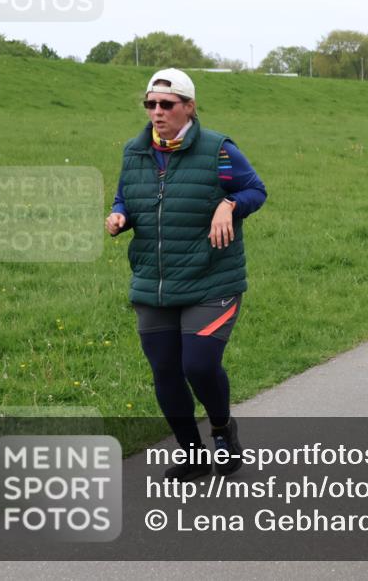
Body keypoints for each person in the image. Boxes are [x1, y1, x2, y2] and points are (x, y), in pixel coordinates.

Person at [106, 68, 267, 481]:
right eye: (150, 104)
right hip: (154, 282)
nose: (156, 112)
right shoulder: (135, 151)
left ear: (189, 107)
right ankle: (192, 454)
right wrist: (119, 215)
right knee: (164, 370)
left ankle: (221, 430)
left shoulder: (219, 151)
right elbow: (128, 195)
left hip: (211, 280)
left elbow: (255, 190)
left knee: (198, 364)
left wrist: (228, 205)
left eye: (166, 104)